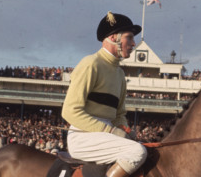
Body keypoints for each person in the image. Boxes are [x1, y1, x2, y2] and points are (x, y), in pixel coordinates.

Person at [62, 11, 145, 177]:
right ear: (114, 37)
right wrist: (111, 131)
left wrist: (125, 129)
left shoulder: (120, 74)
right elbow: (70, 111)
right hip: (83, 137)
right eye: (129, 37)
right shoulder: (90, 63)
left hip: (105, 136)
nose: (134, 43)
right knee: (137, 152)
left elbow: (119, 115)